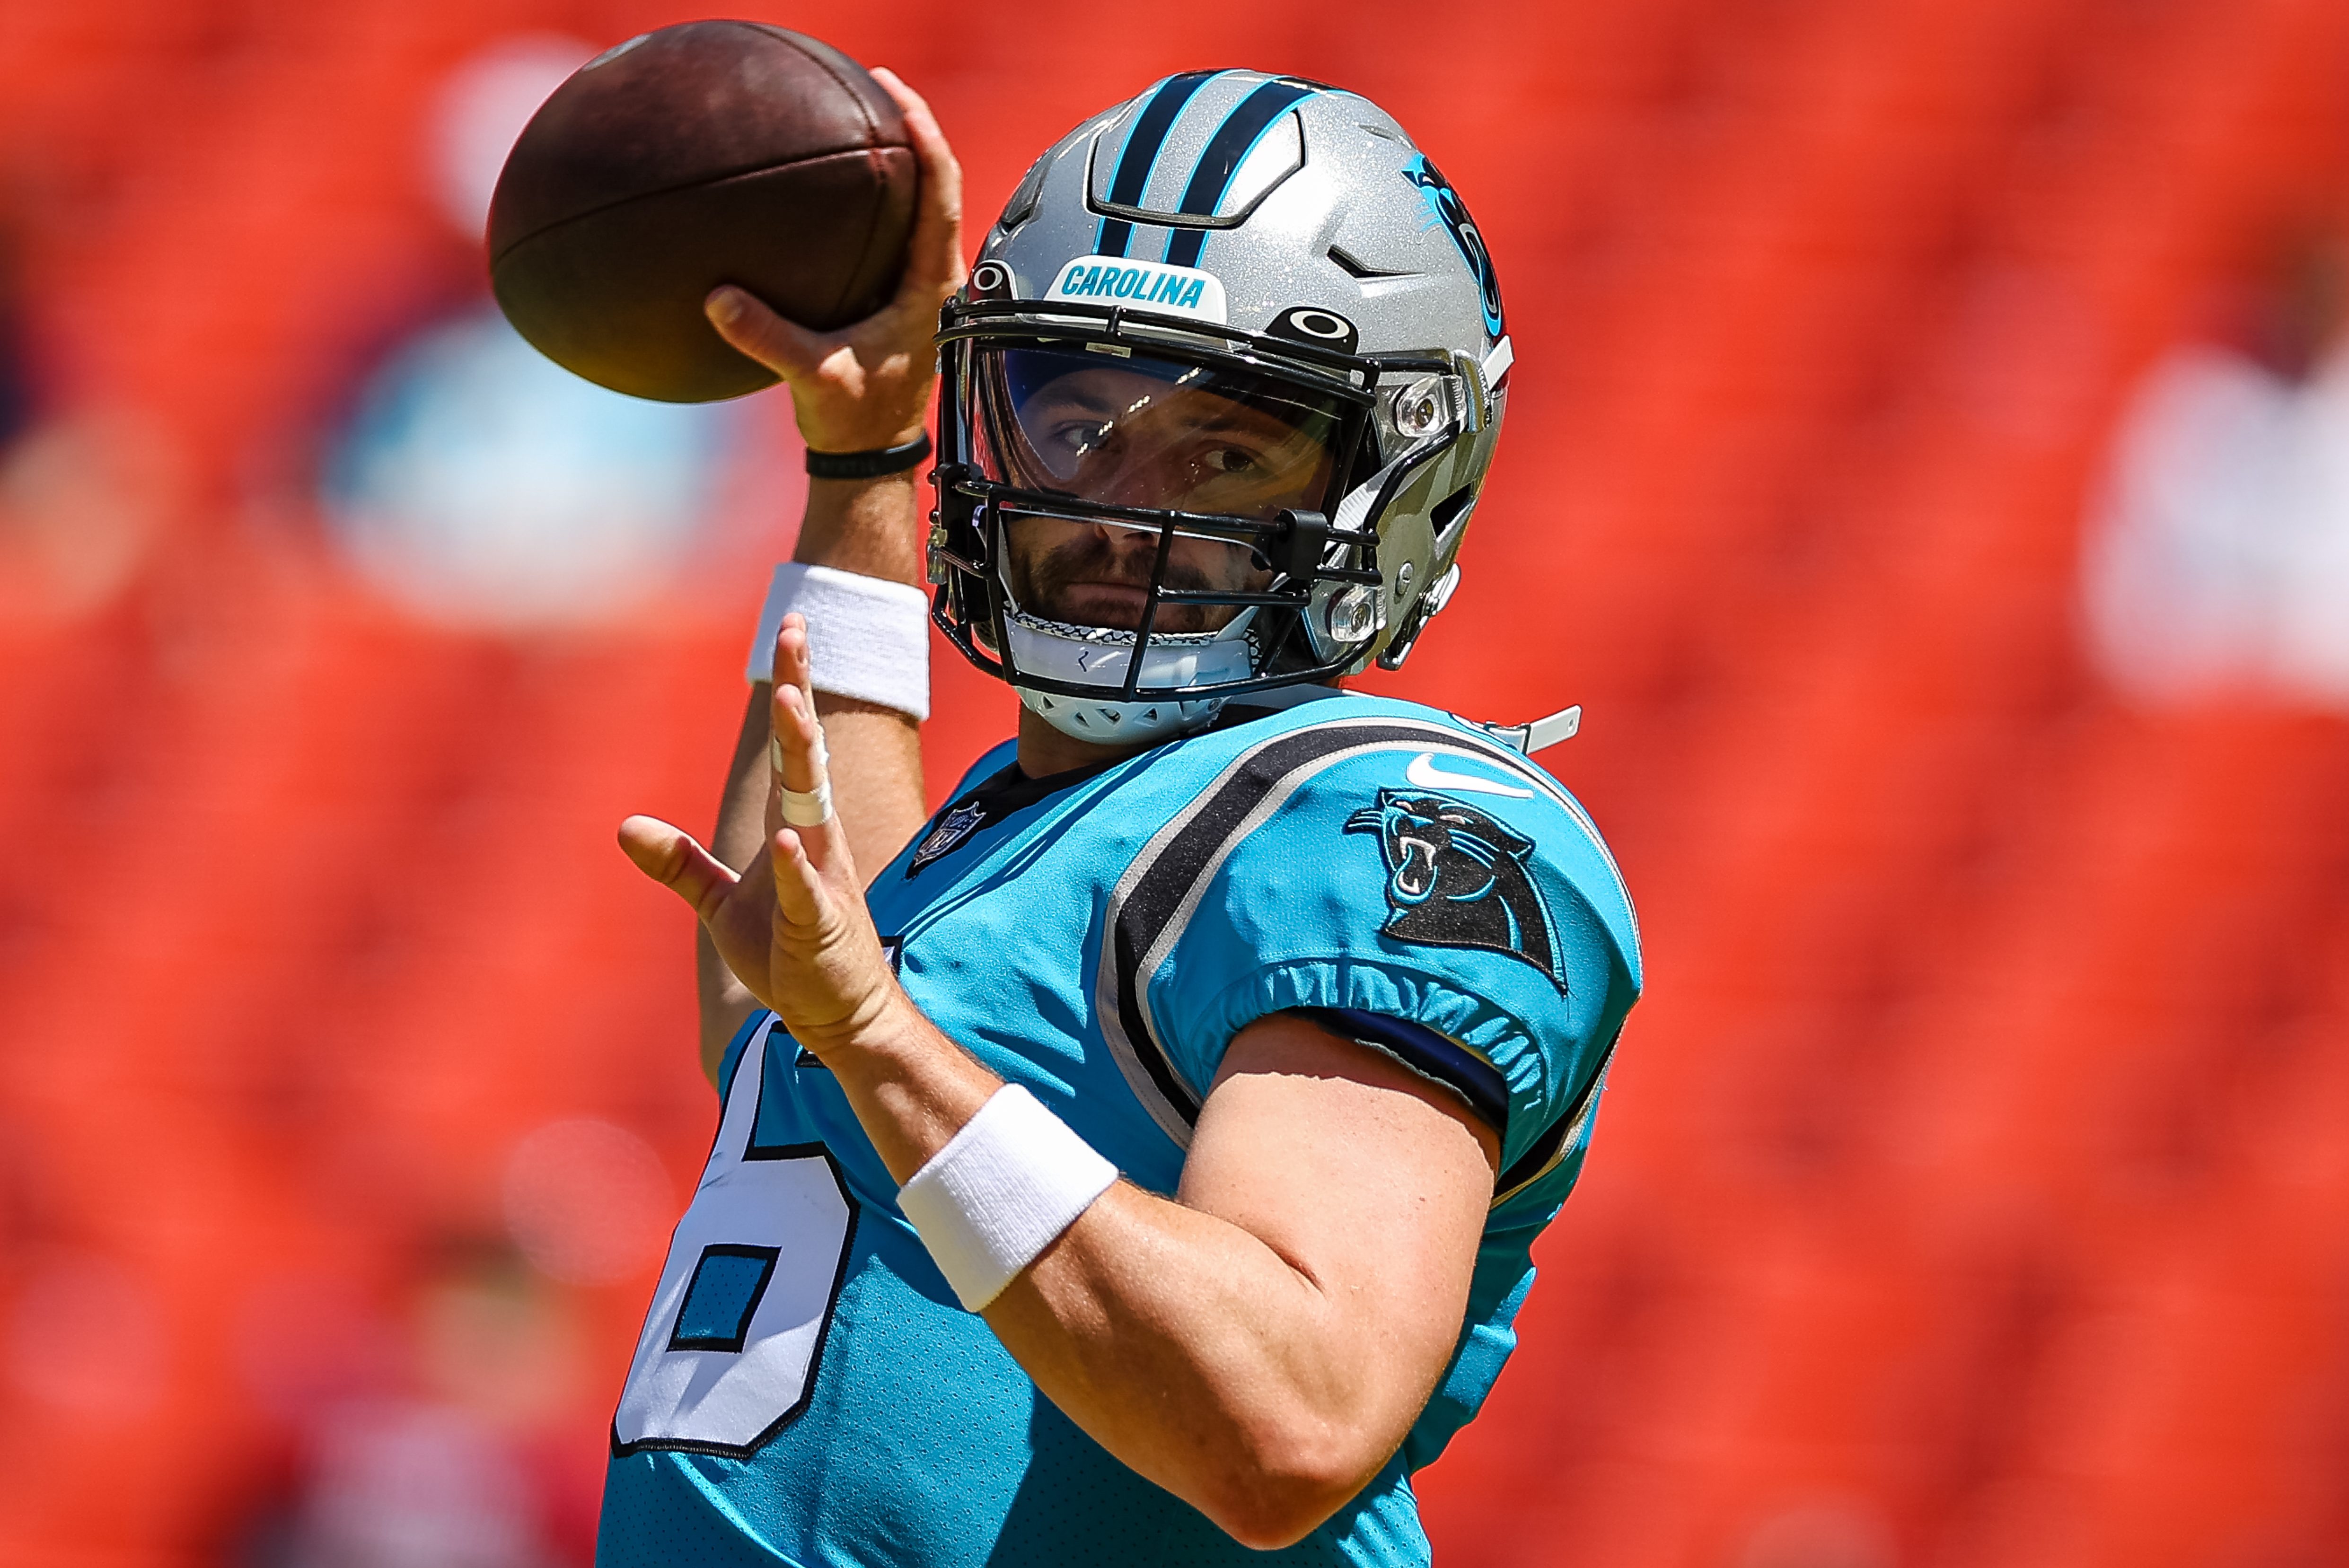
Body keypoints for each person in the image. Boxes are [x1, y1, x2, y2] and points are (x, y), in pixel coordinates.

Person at [602, 66, 1642, 1568]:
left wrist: (882, 1044)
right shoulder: (1045, 820)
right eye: (1076, 429)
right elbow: (795, 1030)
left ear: (1397, 478)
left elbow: (1286, 1418)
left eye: (1224, 451)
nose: (1121, 508)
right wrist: (861, 463)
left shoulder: (1387, 819)